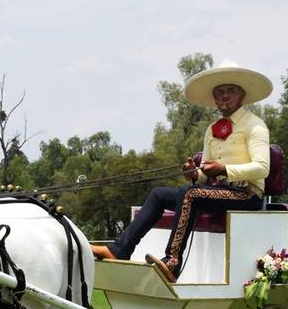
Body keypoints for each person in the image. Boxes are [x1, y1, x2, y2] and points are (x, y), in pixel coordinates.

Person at [91, 61, 272, 282]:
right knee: (159, 194)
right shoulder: (211, 129)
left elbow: (262, 168)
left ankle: (172, 262)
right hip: (219, 192)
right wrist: (195, 174)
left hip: (247, 194)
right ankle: (120, 250)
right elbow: (205, 173)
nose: (224, 97)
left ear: (242, 94)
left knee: (190, 193)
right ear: (214, 98)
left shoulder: (255, 125)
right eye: (219, 92)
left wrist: (224, 168)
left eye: (230, 91)